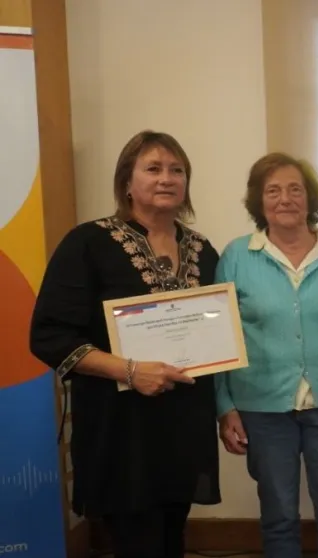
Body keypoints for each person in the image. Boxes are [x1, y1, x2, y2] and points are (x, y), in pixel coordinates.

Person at [29, 130, 220, 558]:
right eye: (153, 168)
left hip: (183, 427)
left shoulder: (203, 250)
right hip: (121, 430)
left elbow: (215, 333)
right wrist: (131, 371)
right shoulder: (88, 243)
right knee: (138, 544)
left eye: (177, 170)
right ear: (127, 182)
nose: (166, 178)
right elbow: (48, 335)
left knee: (172, 539)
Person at [213, 152, 318, 558]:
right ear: (259, 201)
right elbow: (219, 337)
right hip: (261, 408)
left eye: (295, 189)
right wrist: (224, 406)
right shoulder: (236, 256)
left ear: (310, 198)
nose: (285, 199)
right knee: (279, 517)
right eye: (273, 191)